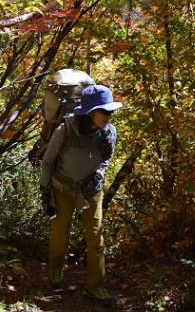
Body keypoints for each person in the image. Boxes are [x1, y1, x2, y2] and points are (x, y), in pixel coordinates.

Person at [40, 84, 122, 308]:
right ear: (90, 112)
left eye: (110, 111)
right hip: (62, 187)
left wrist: (100, 172)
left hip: (91, 190)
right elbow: (47, 162)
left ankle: (96, 285)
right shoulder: (64, 130)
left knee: (96, 237)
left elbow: (107, 158)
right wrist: (45, 192)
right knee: (60, 233)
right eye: (104, 111)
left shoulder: (109, 132)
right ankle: (55, 271)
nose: (109, 115)